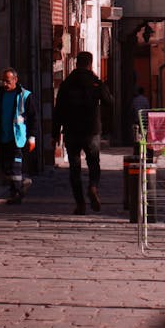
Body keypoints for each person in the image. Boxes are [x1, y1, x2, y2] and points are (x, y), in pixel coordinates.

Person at [52, 51, 113, 214]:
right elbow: (109, 101)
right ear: (90, 64)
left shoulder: (67, 83)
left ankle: (80, 204)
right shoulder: (95, 82)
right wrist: (99, 83)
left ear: (76, 63)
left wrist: (54, 133)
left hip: (71, 131)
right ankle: (93, 186)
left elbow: (58, 110)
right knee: (94, 163)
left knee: (75, 168)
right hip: (91, 130)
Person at [0, 68, 37, 204]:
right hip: (2, 137)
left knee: (15, 167)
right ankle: (21, 184)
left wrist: (32, 137)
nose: (5, 84)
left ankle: (17, 194)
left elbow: (33, 118)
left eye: (8, 81)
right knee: (4, 168)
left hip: (18, 138)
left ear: (15, 80)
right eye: (3, 81)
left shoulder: (25, 96)